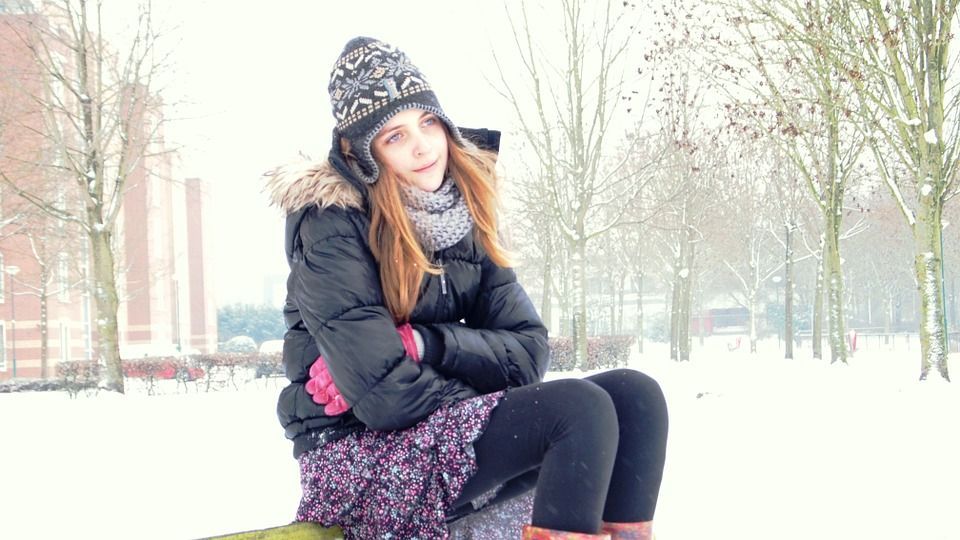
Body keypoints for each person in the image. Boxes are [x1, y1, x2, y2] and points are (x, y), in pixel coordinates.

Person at [266, 36, 669, 540]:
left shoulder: (462, 212)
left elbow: (527, 354)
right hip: (356, 459)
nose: (422, 146)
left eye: (428, 122)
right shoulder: (330, 223)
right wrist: (487, 393)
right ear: (364, 154)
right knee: (577, 410)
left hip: (437, 432)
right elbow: (386, 397)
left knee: (634, 397)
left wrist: (426, 343)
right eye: (395, 136)